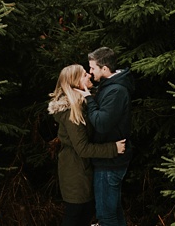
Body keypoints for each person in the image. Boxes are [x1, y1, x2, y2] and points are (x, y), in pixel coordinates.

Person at [48, 65, 127, 226]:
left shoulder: (82, 104)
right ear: (76, 83)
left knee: (84, 215)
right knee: (75, 215)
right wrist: (113, 148)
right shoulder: (72, 112)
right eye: (84, 75)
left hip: (82, 170)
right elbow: (83, 148)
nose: (89, 75)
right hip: (75, 173)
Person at [86, 46, 135, 226]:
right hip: (110, 159)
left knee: (106, 215)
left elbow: (101, 123)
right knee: (114, 212)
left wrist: (88, 99)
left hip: (110, 163)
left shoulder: (116, 91)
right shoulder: (109, 87)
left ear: (105, 69)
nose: (90, 72)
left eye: (92, 68)